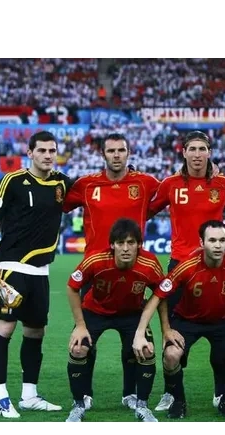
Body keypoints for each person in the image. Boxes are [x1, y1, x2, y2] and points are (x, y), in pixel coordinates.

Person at [132, 220, 225, 419]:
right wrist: (145, 332)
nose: (218, 245)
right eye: (212, 240)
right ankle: (179, 402)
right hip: (187, 320)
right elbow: (157, 297)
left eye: (222, 240)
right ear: (202, 242)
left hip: (222, 320)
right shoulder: (187, 266)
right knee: (171, 355)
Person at [63, 132, 162, 412]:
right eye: (111, 150)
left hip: (133, 272)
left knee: (132, 340)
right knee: (85, 342)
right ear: (103, 154)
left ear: (128, 153)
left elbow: (173, 192)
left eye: (121, 150)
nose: (116, 155)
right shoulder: (86, 184)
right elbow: (60, 203)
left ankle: (130, 394)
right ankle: (84, 395)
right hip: (94, 273)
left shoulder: (145, 183)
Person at [147, 130, 225, 412]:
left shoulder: (223, 184)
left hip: (215, 266)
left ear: (210, 152)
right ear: (184, 152)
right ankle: (171, 393)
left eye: (203, 149)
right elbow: (146, 210)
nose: (198, 154)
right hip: (180, 267)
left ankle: (221, 391)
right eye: (193, 149)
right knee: (174, 334)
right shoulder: (170, 184)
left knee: (220, 329)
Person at [0, 131, 72, 418]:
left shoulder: (61, 183)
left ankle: (29, 395)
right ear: (30, 153)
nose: (48, 155)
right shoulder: (12, 181)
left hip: (41, 272)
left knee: (36, 331)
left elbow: (92, 189)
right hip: (11, 267)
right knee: (5, 329)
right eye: (42, 150)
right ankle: (0, 397)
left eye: (52, 150)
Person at [65, 218, 165, 422]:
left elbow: (160, 292)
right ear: (112, 245)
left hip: (132, 313)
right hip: (95, 311)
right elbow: (72, 287)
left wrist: (164, 329)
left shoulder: (150, 264)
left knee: (146, 350)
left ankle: (142, 406)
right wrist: (80, 325)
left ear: (139, 244)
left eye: (131, 242)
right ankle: (78, 404)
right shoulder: (95, 260)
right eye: (120, 243)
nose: (125, 248)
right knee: (78, 348)